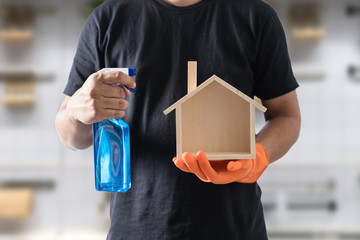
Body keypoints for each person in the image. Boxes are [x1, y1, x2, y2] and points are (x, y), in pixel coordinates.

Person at [55, 0, 301, 239]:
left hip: (235, 228)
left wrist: (258, 156)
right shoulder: (107, 18)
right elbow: (69, 135)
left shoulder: (256, 16)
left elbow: (286, 116)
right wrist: (77, 112)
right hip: (136, 229)